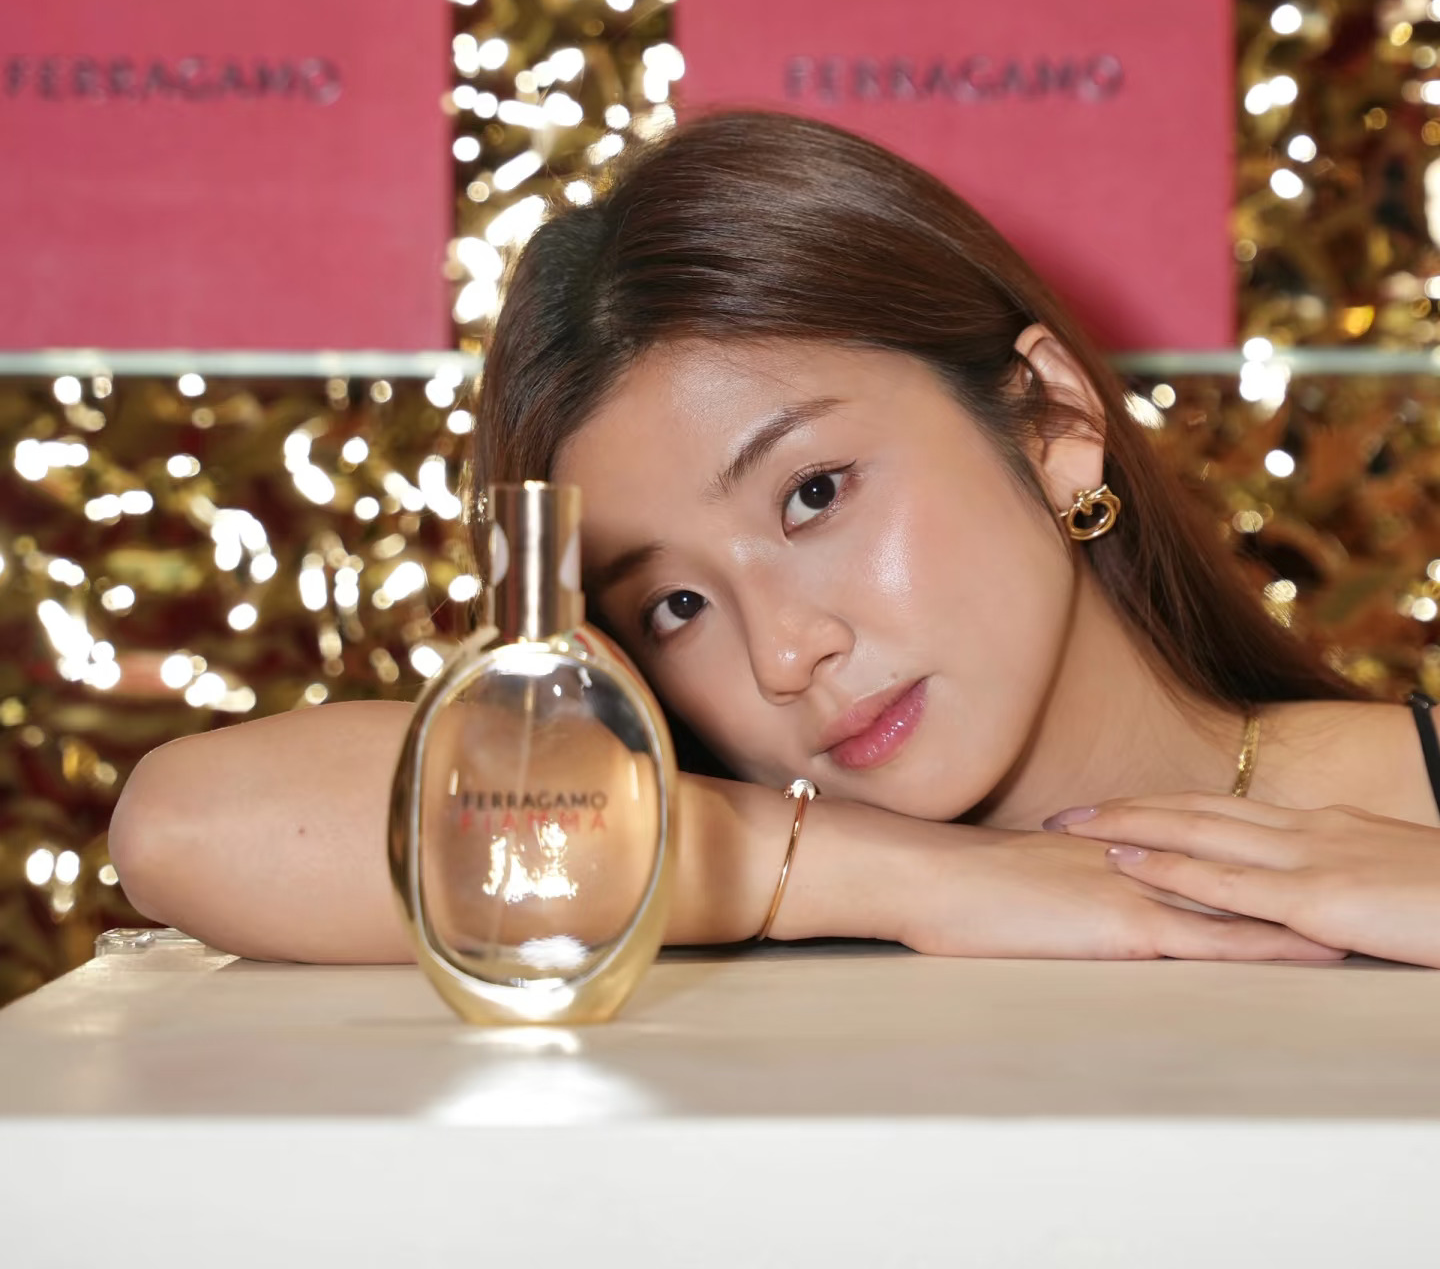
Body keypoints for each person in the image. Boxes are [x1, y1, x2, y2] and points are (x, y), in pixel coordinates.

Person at [109, 110, 1440, 967]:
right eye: (674, 607)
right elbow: (187, 827)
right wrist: (877, 877)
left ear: (1052, 421)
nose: (784, 654)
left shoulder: (1404, 802)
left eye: (812, 495)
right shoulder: (699, 869)